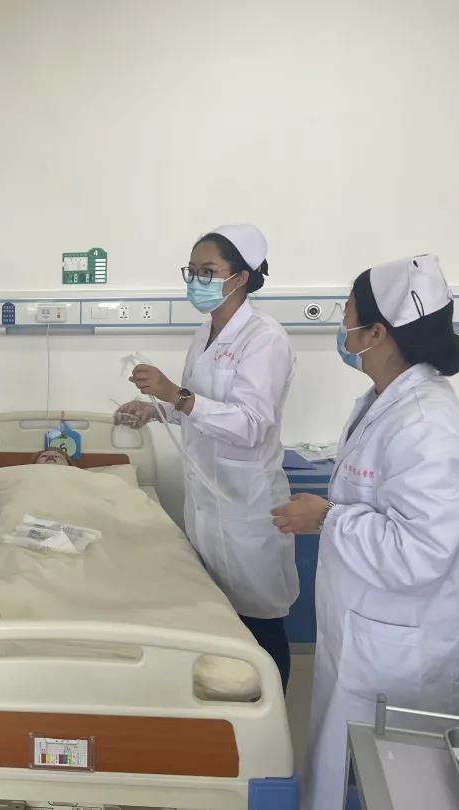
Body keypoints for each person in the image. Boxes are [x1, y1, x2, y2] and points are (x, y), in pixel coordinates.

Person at [271, 255, 459, 810]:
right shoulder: (385, 403)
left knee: (401, 785)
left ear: (376, 334)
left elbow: (419, 553)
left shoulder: (426, 425)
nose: (341, 326)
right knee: (352, 768)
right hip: (370, 632)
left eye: (347, 314)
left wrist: (326, 518)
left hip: (406, 649)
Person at [115, 224, 298, 689]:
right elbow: (198, 407)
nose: (196, 280)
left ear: (241, 276)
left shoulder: (265, 339)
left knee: (259, 623)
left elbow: (251, 424)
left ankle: (271, 708)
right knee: (217, 617)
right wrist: (156, 409)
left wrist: (173, 394)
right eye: (192, 270)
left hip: (247, 504)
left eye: (208, 271)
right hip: (207, 500)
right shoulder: (205, 333)